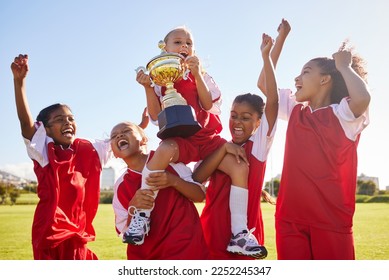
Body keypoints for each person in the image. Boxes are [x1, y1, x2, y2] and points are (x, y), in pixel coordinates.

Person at [131, 25, 255, 255]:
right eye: (178, 42)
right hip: (181, 140)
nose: (184, 46)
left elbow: (208, 105)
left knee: (239, 166)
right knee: (163, 151)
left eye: (189, 43)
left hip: (207, 138)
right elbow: (157, 116)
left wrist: (197, 74)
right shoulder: (160, 77)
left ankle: (239, 232)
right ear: (164, 48)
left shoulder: (202, 75)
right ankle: (142, 216)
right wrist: (148, 87)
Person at [269, 34, 370, 259]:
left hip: (331, 222)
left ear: (325, 80)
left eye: (305, 72)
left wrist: (344, 66)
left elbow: (362, 98)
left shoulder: (343, 114)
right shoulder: (296, 109)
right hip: (289, 219)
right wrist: (275, 47)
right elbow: (266, 85)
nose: (297, 77)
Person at [10, 54, 112, 260]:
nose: (68, 122)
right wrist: (19, 82)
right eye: (59, 119)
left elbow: (121, 139)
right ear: (45, 130)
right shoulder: (44, 152)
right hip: (51, 232)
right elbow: (26, 126)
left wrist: (142, 126)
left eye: (71, 119)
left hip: (78, 233)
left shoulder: (88, 150)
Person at [193, 31, 281, 259]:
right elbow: (197, 179)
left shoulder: (259, 145)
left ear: (258, 122)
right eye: (233, 115)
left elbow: (273, 100)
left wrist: (267, 57)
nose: (237, 122)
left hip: (246, 236)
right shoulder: (218, 144)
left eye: (245, 117)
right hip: (211, 231)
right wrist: (222, 149)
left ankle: (239, 236)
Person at [110, 121, 209, 259]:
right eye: (114, 136)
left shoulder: (168, 160)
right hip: (146, 256)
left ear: (143, 140)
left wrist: (173, 181)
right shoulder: (120, 185)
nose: (119, 135)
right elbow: (124, 231)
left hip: (185, 248)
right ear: (114, 153)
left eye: (126, 131)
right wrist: (133, 206)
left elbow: (199, 195)